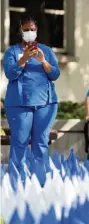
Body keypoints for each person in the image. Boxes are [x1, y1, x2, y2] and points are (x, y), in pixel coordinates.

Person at [3, 13, 60, 168]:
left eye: (32, 29)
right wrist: (24, 59)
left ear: (37, 30)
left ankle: (40, 181)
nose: (29, 32)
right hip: (19, 105)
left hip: (45, 104)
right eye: (26, 29)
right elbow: (10, 74)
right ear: (21, 31)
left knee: (41, 143)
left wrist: (43, 61)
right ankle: (16, 182)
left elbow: (55, 74)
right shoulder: (12, 52)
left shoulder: (46, 51)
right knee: (19, 142)